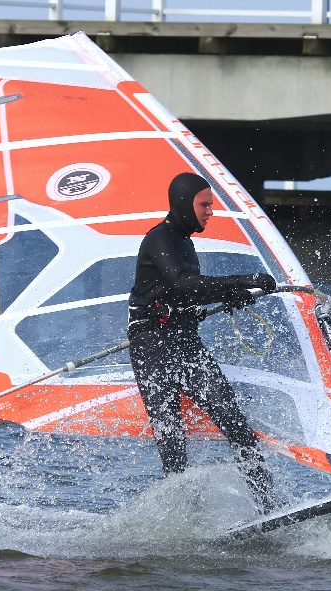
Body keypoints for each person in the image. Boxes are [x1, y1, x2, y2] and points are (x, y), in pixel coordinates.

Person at [127, 171, 278, 513]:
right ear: (183, 203)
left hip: (185, 343)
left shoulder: (185, 242)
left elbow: (188, 291)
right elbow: (182, 283)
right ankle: (185, 521)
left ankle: (271, 507)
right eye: (204, 205)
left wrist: (231, 294)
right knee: (173, 445)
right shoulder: (159, 239)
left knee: (237, 426)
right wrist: (244, 279)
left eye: (211, 205)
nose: (211, 211)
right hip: (152, 347)